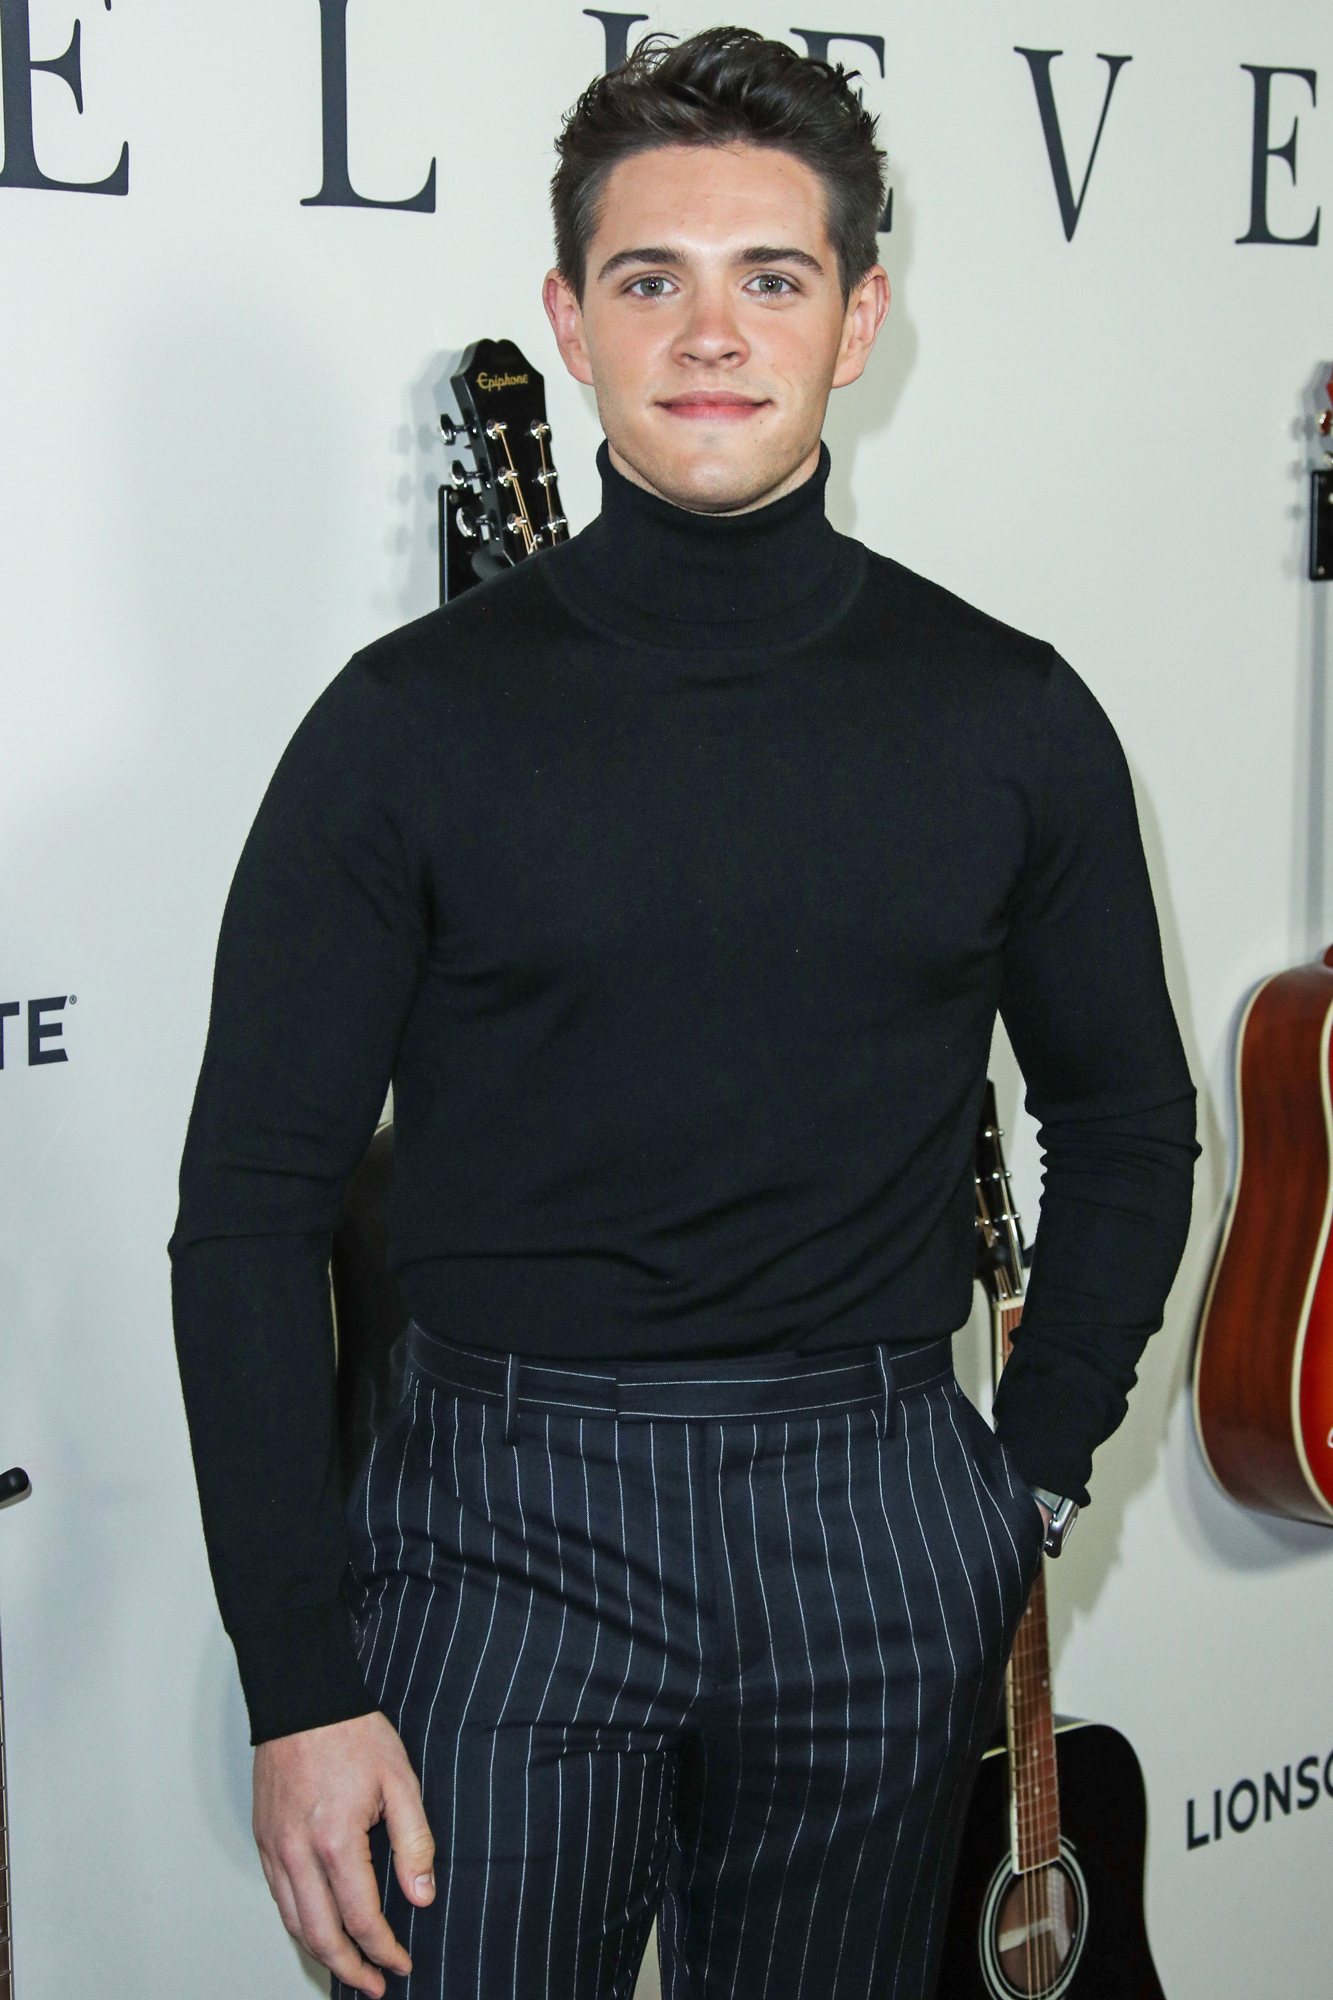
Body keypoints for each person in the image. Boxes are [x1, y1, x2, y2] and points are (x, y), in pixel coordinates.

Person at [170, 27, 1196, 2000]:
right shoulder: (401, 729)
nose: (711, 332)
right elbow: (248, 1216)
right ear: (569, 317)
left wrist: (1032, 1470)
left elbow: (1131, 1125)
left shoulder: (1010, 716)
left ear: (858, 319)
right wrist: (295, 1675)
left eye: (771, 277)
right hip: (498, 1535)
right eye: (651, 277)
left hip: (880, 1518)